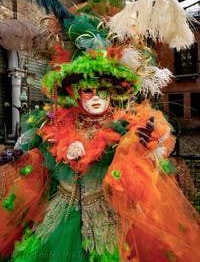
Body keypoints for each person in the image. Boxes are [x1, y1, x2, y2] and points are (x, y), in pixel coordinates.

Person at [0, 44, 200, 262]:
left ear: (112, 93)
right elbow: (44, 163)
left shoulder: (125, 128)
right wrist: (23, 158)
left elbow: (135, 177)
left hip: (105, 218)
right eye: (88, 90)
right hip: (59, 215)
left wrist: (142, 149)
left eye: (103, 90)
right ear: (76, 93)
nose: (96, 96)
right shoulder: (56, 125)